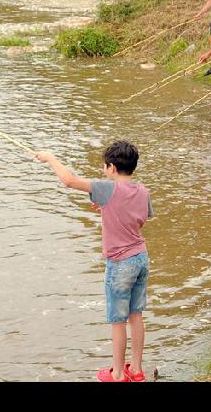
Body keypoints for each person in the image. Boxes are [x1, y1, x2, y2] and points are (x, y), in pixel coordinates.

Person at [35, 140, 152, 383]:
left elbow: (68, 180)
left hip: (120, 263)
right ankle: (137, 371)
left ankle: (118, 374)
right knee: (136, 315)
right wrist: (109, 209)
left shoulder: (105, 188)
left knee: (118, 321)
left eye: (104, 167)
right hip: (141, 258)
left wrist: (50, 158)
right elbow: (140, 218)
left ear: (111, 167)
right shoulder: (143, 190)